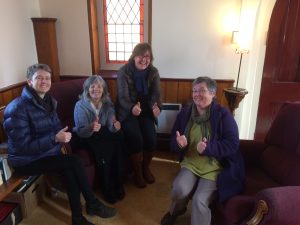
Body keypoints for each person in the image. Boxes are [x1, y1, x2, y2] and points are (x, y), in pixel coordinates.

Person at [3, 64, 117, 225]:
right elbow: (23, 147)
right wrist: (55, 139)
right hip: (26, 160)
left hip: (47, 153)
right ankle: (92, 204)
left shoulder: (49, 101)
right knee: (74, 162)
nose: (44, 81)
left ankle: (78, 218)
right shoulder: (17, 108)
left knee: (71, 166)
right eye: (39, 78)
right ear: (29, 81)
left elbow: (56, 129)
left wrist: (63, 136)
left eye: (47, 78)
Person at [160, 77, 245, 225]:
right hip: (191, 163)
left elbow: (233, 144)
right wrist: (179, 144)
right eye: (194, 90)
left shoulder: (223, 115)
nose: (197, 94)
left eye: (202, 90)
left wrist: (209, 148)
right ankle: (175, 211)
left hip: (214, 167)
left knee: (200, 200)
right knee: (179, 189)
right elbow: (174, 140)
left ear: (213, 94)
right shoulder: (186, 113)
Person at [73, 75, 125, 204]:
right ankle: (106, 189)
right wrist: (91, 126)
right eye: (92, 86)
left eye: (99, 86)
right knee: (105, 150)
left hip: (102, 134)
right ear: (87, 89)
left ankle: (118, 183)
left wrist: (114, 126)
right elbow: (80, 131)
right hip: (85, 136)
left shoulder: (108, 104)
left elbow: (110, 125)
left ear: (103, 90)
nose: (96, 89)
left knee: (119, 138)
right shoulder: (80, 105)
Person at [116, 42, 162, 188]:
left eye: (147, 56)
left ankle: (145, 167)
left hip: (146, 110)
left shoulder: (154, 72)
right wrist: (131, 108)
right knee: (136, 139)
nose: (144, 59)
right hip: (128, 111)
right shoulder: (123, 71)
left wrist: (157, 107)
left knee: (151, 139)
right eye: (141, 56)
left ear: (151, 58)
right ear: (134, 56)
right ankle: (137, 172)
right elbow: (122, 97)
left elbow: (156, 94)